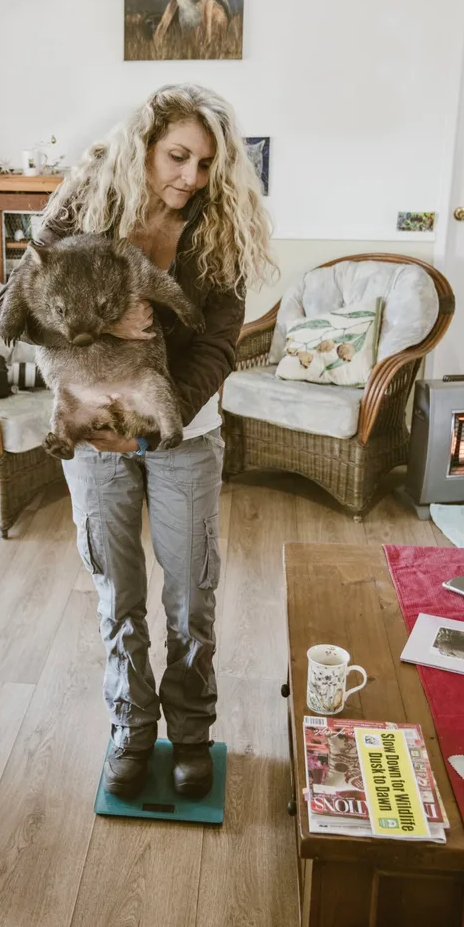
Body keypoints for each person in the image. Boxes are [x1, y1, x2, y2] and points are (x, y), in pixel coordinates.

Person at [34, 84, 273, 798]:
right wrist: (103, 329)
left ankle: (191, 731)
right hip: (92, 432)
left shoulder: (218, 229)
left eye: (206, 164)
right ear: (143, 144)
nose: (190, 179)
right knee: (118, 591)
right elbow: (15, 303)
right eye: (177, 156)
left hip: (184, 436)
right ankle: (132, 728)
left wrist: (152, 424)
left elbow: (217, 349)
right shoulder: (82, 205)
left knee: (192, 594)